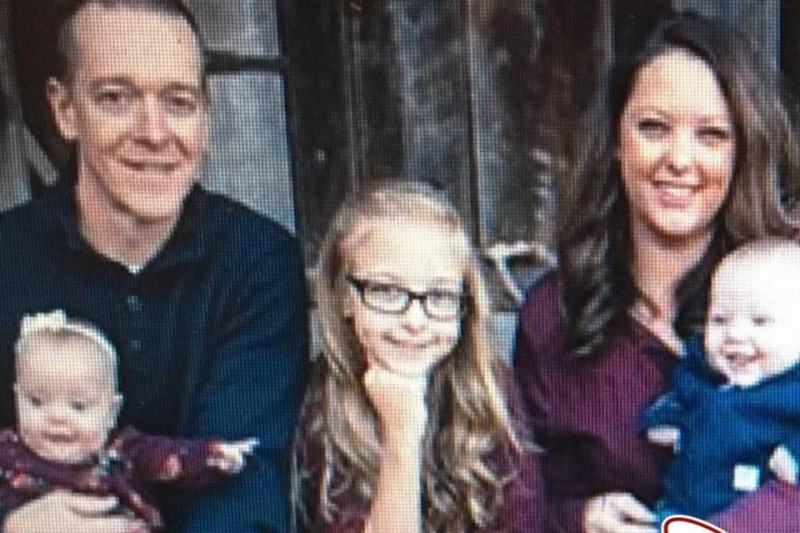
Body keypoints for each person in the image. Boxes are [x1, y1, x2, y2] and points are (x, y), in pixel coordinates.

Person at [0, 1, 308, 532]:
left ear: (206, 115)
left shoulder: (258, 262)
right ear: (65, 109)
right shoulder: (7, 256)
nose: (154, 132)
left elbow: (242, 487)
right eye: (116, 98)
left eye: (178, 102)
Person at [513, 12, 800, 533]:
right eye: (653, 128)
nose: (679, 160)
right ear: (617, 141)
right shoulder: (554, 312)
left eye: (711, 135)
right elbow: (521, 507)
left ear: (743, 150)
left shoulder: (790, 286)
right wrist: (582, 518)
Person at [293, 181, 543, 532]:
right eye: (386, 291)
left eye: (440, 296)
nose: (415, 321)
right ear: (344, 296)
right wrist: (402, 434)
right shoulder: (322, 402)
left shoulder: (487, 389)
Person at [2, 310, 259, 530]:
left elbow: (173, 458)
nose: (57, 417)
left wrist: (214, 456)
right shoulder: (8, 455)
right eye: (36, 401)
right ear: (16, 397)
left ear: (112, 411)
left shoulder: (124, 451)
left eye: (78, 406)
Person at [642, 238, 800, 521]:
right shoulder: (702, 373)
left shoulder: (793, 390)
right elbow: (680, 396)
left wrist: (794, 454)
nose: (734, 334)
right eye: (719, 320)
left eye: (760, 321)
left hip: (757, 517)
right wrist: (666, 418)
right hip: (680, 509)